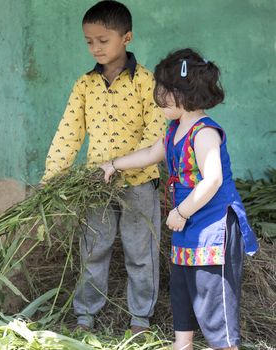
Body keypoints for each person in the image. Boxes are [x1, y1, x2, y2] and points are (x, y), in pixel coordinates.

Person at [100, 48, 259, 350]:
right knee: (183, 291)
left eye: (161, 88)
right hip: (188, 230)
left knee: (215, 301)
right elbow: (149, 154)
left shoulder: (204, 132)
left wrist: (182, 211)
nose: (156, 95)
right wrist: (114, 164)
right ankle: (181, 345)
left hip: (213, 230)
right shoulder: (174, 130)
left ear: (180, 94)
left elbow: (212, 179)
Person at [41, 0, 165, 333]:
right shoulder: (85, 85)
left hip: (139, 185)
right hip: (95, 184)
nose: (95, 47)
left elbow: (157, 138)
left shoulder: (145, 82)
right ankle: (85, 316)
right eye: (89, 41)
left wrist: (121, 166)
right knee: (93, 250)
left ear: (126, 38)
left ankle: (140, 319)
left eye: (103, 40)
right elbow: (68, 133)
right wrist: (52, 177)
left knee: (141, 254)